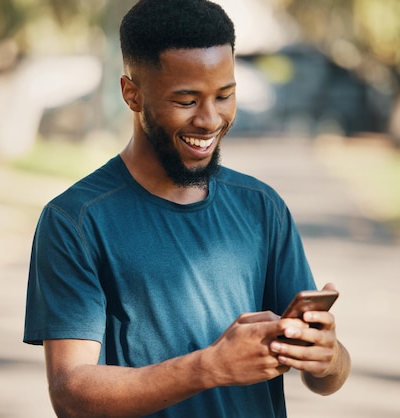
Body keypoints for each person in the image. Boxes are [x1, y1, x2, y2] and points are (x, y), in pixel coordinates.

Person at [23, 0, 351, 417]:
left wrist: (329, 356)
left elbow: (327, 378)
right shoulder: (76, 220)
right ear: (132, 94)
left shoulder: (262, 207)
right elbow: (71, 394)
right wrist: (210, 367)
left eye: (225, 95)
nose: (210, 119)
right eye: (187, 100)